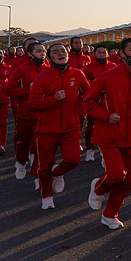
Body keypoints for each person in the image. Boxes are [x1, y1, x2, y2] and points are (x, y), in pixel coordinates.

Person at [84, 38, 131, 229]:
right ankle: (97, 188)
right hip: (109, 134)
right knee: (116, 174)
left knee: (128, 182)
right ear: (122, 54)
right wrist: (107, 116)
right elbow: (88, 102)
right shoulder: (108, 77)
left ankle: (110, 215)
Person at [27, 44, 90, 209]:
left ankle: (58, 172)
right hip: (46, 128)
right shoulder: (43, 77)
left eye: (63, 51)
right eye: (55, 52)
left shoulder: (78, 74)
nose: (60, 54)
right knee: (44, 166)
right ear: (49, 58)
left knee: (74, 159)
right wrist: (53, 99)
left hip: (71, 127)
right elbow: (32, 103)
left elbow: (89, 95)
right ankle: (47, 196)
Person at [6, 42, 47, 180]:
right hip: (26, 112)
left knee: (41, 144)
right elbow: (9, 89)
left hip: (44, 113)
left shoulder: (49, 69)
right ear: (29, 54)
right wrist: (28, 90)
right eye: (38, 51)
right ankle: (21, 161)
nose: (42, 53)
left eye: (43, 51)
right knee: (23, 141)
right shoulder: (21, 70)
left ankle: (38, 175)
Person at [82, 45, 115, 161]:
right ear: (94, 54)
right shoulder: (88, 68)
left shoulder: (113, 66)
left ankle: (104, 148)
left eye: (104, 52)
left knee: (108, 125)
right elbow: (83, 84)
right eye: (99, 52)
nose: (102, 54)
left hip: (109, 101)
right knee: (90, 126)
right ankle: (90, 149)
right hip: (94, 100)